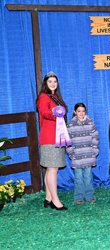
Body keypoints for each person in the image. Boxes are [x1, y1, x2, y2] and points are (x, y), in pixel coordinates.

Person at [36, 71, 68, 210]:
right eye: (50, 82)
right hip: (49, 137)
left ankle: (48, 198)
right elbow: (44, 112)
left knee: (51, 168)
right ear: (45, 83)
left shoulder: (56, 97)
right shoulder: (43, 97)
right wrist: (55, 112)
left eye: (55, 81)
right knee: (52, 169)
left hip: (58, 136)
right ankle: (56, 201)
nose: (53, 84)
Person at [66, 103, 99, 205]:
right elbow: (68, 141)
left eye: (83, 111)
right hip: (77, 156)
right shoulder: (70, 125)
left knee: (88, 176)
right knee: (78, 177)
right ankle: (78, 197)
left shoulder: (90, 123)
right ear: (75, 112)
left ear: (85, 112)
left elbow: (95, 137)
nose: (81, 113)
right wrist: (71, 154)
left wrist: (95, 151)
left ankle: (89, 195)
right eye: (79, 111)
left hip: (89, 154)